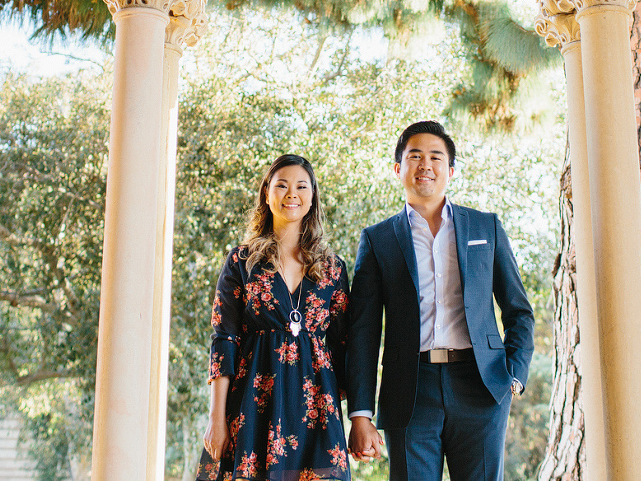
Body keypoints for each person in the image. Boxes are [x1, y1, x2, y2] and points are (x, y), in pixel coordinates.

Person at [345, 120, 534, 481]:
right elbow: (363, 333)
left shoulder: (485, 227)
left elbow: (519, 311)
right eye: (415, 156)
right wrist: (360, 414)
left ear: (450, 170)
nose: (425, 165)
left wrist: (513, 378)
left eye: (435, 157)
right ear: (399, 168)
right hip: (410, 391)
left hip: (483, 385)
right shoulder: (378, 239)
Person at [198, 154, 351, 481]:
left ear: (312, 198)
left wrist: (352, 416)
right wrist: (216, 417)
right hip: (253, 405)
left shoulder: (334, 269)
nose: (291, 193)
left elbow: (343, 345)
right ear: (267, 194)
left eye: (301, 186)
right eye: (281, 185)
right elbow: (223, 339)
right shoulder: (242, 261)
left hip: (316, 410)